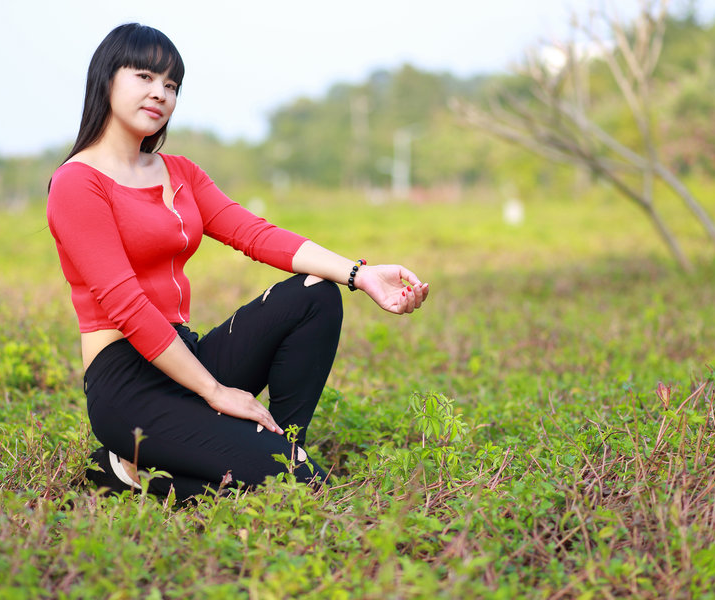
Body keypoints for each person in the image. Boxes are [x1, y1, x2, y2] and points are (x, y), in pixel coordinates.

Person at [46, 23, 430, 501]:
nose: (159, 93)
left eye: (171, 85)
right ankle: (140, 464)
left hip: (183, 355)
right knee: (296, 484)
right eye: (144, 77)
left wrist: (362, 274)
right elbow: (126, 305)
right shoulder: (77, 183)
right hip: (127, 383)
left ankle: (283, 448)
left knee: (316, 294)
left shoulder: (180, 172)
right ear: (106, 79)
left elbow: (255, 233)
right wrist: (214, 391)